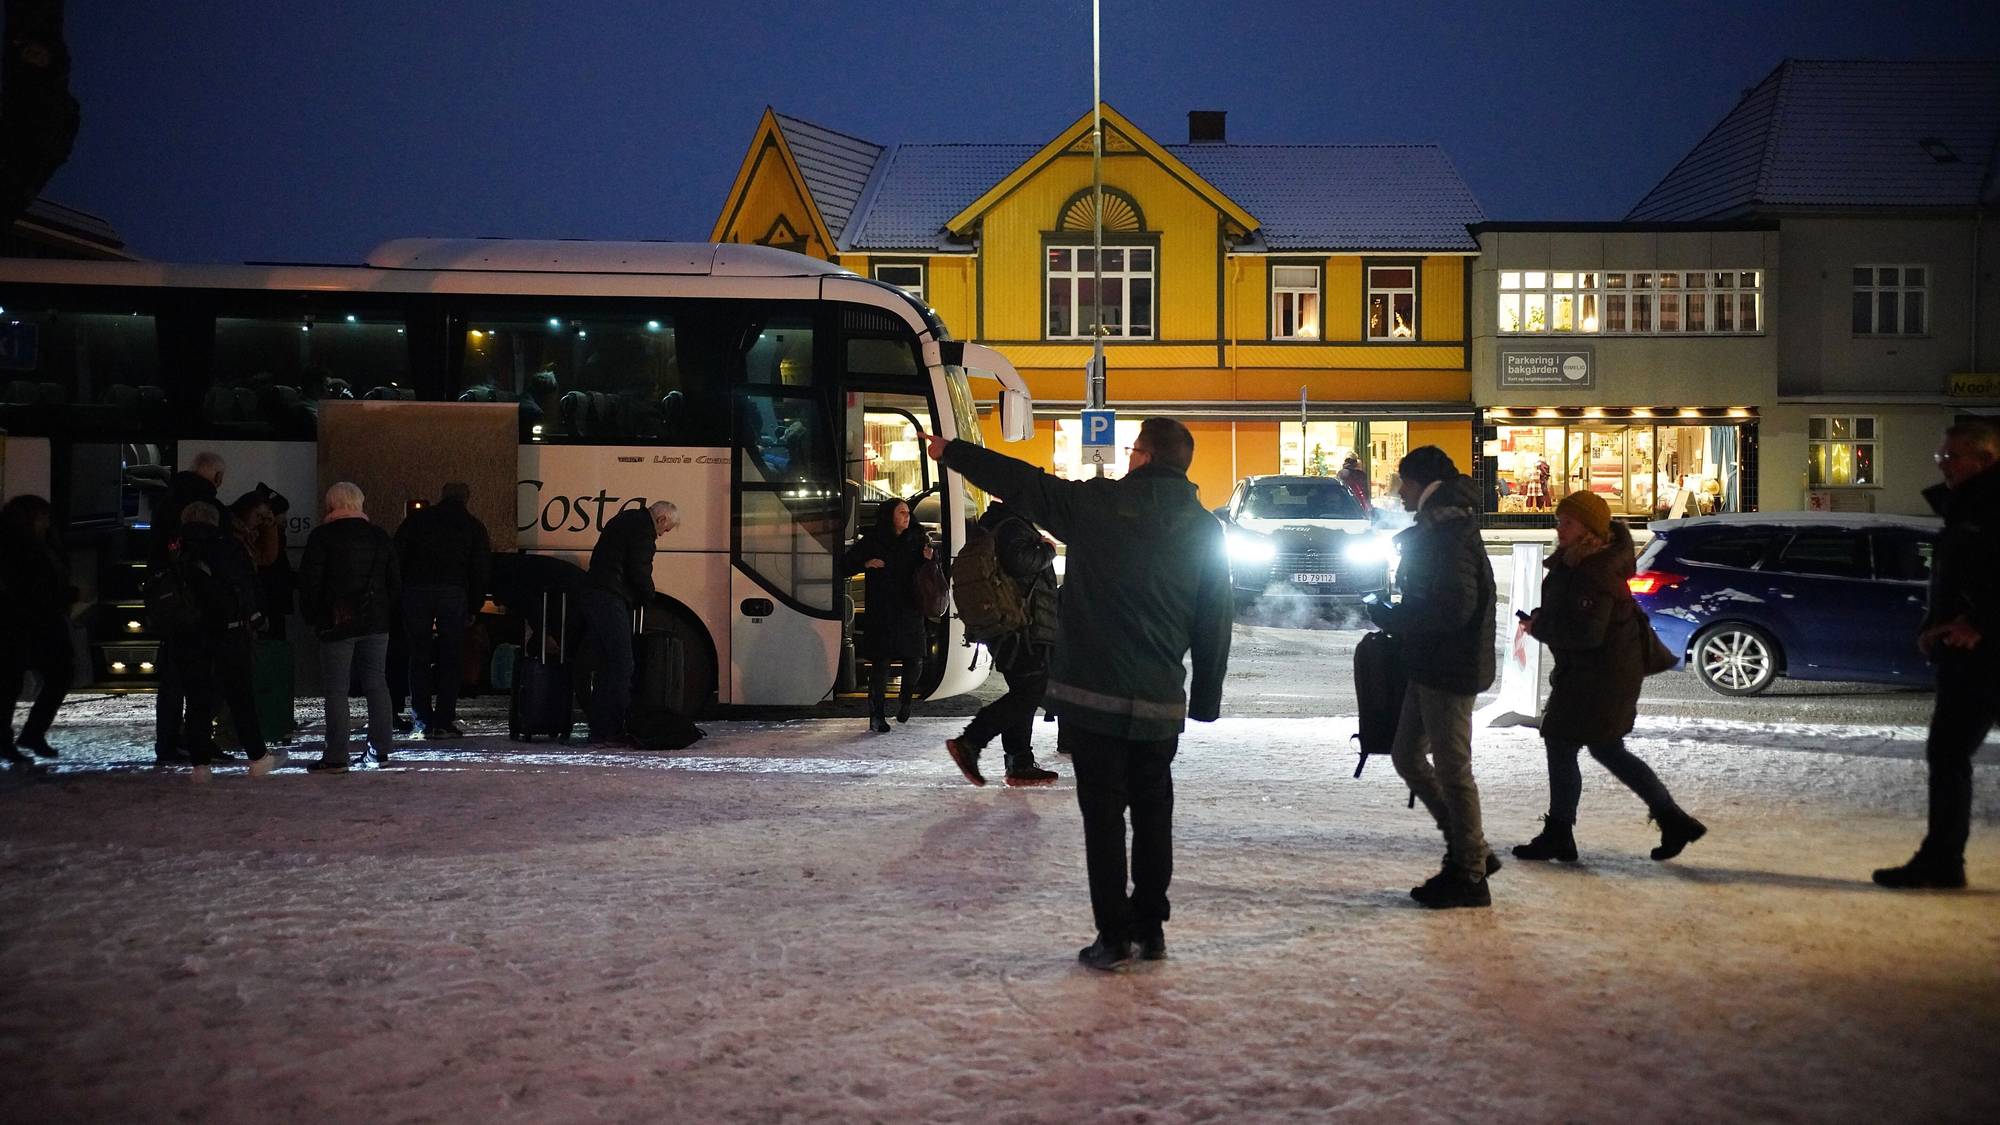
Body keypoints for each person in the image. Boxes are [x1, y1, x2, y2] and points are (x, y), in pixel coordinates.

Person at [922, 418, 1231, 970]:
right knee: (1155, 814)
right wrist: (1206, 695)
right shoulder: (1206, 530)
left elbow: (1024, 482)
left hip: (1093, 698)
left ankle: (1113, 937)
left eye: (1134, 448)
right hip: (1159, 702)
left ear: (1143, 455)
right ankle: (1151, 929)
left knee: (1105, 820)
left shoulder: (1098, 506)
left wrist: (954, 451)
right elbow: (1216, 620)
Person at [1515, 491, 1705, 863]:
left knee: (1563, 742)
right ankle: (1672, 820)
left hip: (1600, 676)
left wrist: (1542, 627)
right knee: (1603, 748)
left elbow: (1587, 634)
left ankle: (1560, 834)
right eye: (1559, 520)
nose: (1559, 527)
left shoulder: (1594, 570)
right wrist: (1548, 619)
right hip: (1599, 673)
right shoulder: (1582, 562)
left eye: (1567, 521)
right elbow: (1577, 617)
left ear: (1588, 528)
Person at [1365, 445, 1498, 909]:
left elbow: (1453, 608)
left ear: (1423, 484)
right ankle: (1471, 848)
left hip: (1449, 666)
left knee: (1453, 769)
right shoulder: (1441, 526)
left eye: (1404, 480)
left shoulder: (1449, 531)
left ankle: (1469, 873)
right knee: (1406, 755)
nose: (1399, 490)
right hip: (1430, 662)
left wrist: (1392, 617)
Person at [1874, 420, 2000, 889]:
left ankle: (1943, 861)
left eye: (1953, 457)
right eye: (1939, 458)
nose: (1943, 465)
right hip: (1967, 653)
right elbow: (1961, 577)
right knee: (1947, 753)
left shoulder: (1987, 505)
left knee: (1948, 753)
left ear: (1985, 460)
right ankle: (1941, 860)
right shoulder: (1970, 504)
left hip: (1984, 653)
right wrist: (1936, 624)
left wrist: (1980, 625)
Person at [944, 501, 1061, 786]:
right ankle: (971, 741)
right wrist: (1047, 550)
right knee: (1032, 689)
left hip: (1014, 623)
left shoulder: (1000, 523)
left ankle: (1019, 762)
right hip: (1020, 625)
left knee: (1025, 691)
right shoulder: (1011, 525)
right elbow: (1021, 562)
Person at [170, 503, 282, 782]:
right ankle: (257, 757)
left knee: (197, 701)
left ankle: (200, 766)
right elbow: (245, 586)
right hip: (228, 633)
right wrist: (257, 618)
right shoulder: (226, 546)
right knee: (240, 697)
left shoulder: (175, 548)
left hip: (187, 634)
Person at [298, 482, 400, 773]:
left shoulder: (322, 537)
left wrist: (315, 617)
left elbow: (310, 583)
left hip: (337, 623)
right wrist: (383, 611)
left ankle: (336, 756)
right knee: (377, 684)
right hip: (377, 622)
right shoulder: (380, 536)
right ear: (360, 504)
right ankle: (380, 751)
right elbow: (394, 582)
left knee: (336, 690)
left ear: (330, 505)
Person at [393, 482, 493, 739]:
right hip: (453, 592)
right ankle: (443, 720)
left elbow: (397, 557)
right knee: (451, 657)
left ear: (442, 495)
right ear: (467, 498)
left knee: (419, 656)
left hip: (416, 590)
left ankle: (422, 719)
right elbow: (480, 570)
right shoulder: (473, 526)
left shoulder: (417, 521)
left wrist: (400, 593)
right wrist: (474, 605)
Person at [579, 500, 679, 745]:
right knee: (622, 665)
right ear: (662, 519)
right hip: (611, 597)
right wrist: (648, 594)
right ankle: (612, 730)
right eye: (664, 531)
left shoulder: (625, 519)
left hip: (595, 593)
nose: (661, 535)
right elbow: (639, 568)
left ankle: (599, 728)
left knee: (606, 664)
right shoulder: (644, 530)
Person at [151, 450, 228, 765]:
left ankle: (167, 743)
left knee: (171, 678)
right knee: (208, 680)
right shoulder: (212, 508)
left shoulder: (167, 501)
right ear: (217, 477)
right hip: (205, 606)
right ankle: (196, 740)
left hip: (169, 603)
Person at [842, 497, 934, 733]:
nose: (907, 516)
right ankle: (877, 715)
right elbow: (846, 564)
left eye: (908, 512)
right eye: (901, 512)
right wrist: (866, 563)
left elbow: (934, 570)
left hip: (911, 608)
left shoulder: (918, 539)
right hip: (882, 610)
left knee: (914, 659)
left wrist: (930, 560)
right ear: (889, 515)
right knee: (881, 664)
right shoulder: (873, 540)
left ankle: (905, 700)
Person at [0, 495, 73, 768]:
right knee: (50, 676)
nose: (47, 522)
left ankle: (17, 737)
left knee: (13, 684)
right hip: (28, 624)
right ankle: (26, 735)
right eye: (43, 517)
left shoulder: (25, 545)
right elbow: (34, 588)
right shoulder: (25, 549)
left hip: (28, 624)